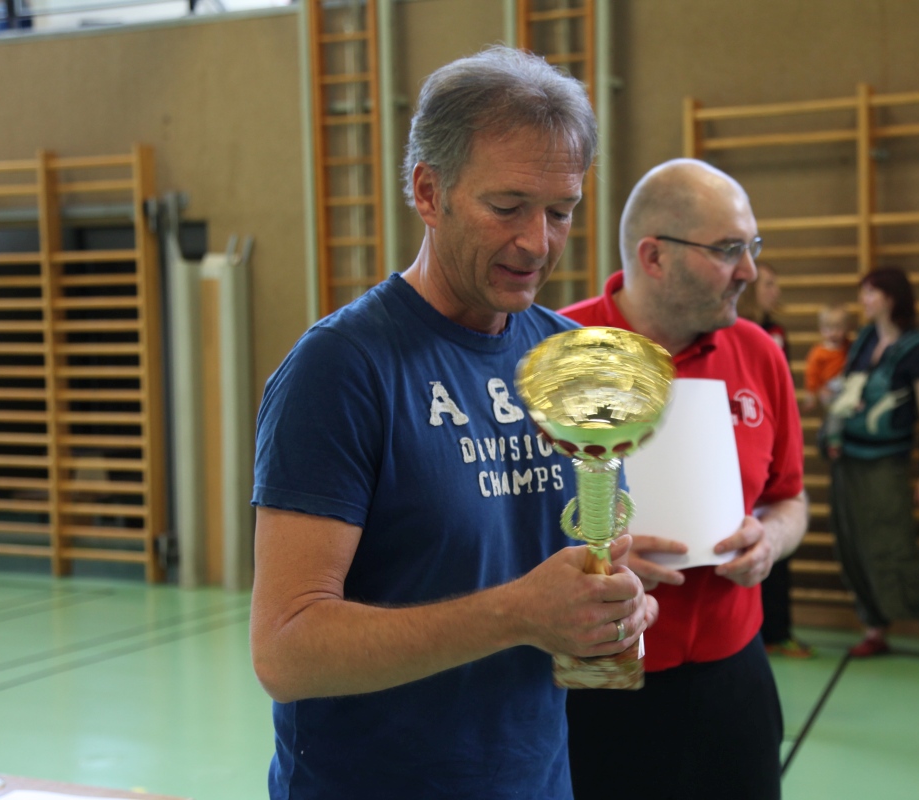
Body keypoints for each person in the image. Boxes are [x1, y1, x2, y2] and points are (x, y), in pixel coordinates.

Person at [248, 46, 656, 800]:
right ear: (428, 192)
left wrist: (617, 607)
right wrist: (517, 614)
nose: (537, 242)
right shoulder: (341, 369)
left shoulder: (573, 361)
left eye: (560, 211)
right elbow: (285, 649)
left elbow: (582, 573)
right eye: (507, 207)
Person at [560, 159, 809, 800]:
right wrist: (594, 557)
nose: (748, 270)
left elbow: (789, 497)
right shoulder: (559, 348)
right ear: (654, 256)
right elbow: (499, 523)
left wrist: (770, 539)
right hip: (600, 670)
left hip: (734, 669)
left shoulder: (759, 353)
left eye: (752, 247)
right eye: (728, 250)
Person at [825, 266, 919, 667]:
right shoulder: (865, 338)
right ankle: (874, 628)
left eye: (870, 292)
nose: (863, 300)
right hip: (848, 459)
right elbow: (849, 390)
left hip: (886, 462)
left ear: (892, 297)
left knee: (897, 544)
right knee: (852, 544)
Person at [737, 259, 814, 659]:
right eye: (768, 283)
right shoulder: (728, 332)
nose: (775, 291)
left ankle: (777, 630)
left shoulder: (774, 335)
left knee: (772, 541)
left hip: (767, 448)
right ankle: (761, 631)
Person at [804, 303, 853, 412]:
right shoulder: (818, 352)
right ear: (821, 329)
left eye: (838, 328)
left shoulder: (849, 347)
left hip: (846, 385)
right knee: (835, 411)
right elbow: (812, 374)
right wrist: (810, 394)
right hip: (828, 389)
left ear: (846, 328)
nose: (833, 333)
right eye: (828, 329)